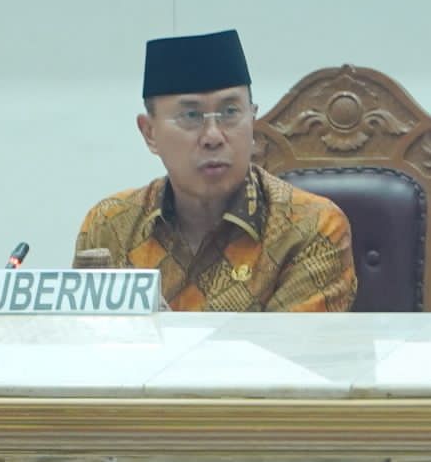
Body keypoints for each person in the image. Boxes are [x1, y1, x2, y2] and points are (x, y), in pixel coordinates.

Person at [75, 29, 356, 312]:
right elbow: (84, 336)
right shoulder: (110, 225)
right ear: (150, 133)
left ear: (252, 119)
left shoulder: (311, 228)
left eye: (230, 112)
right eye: (191, 116)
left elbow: (290, 340)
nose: (213, 136)